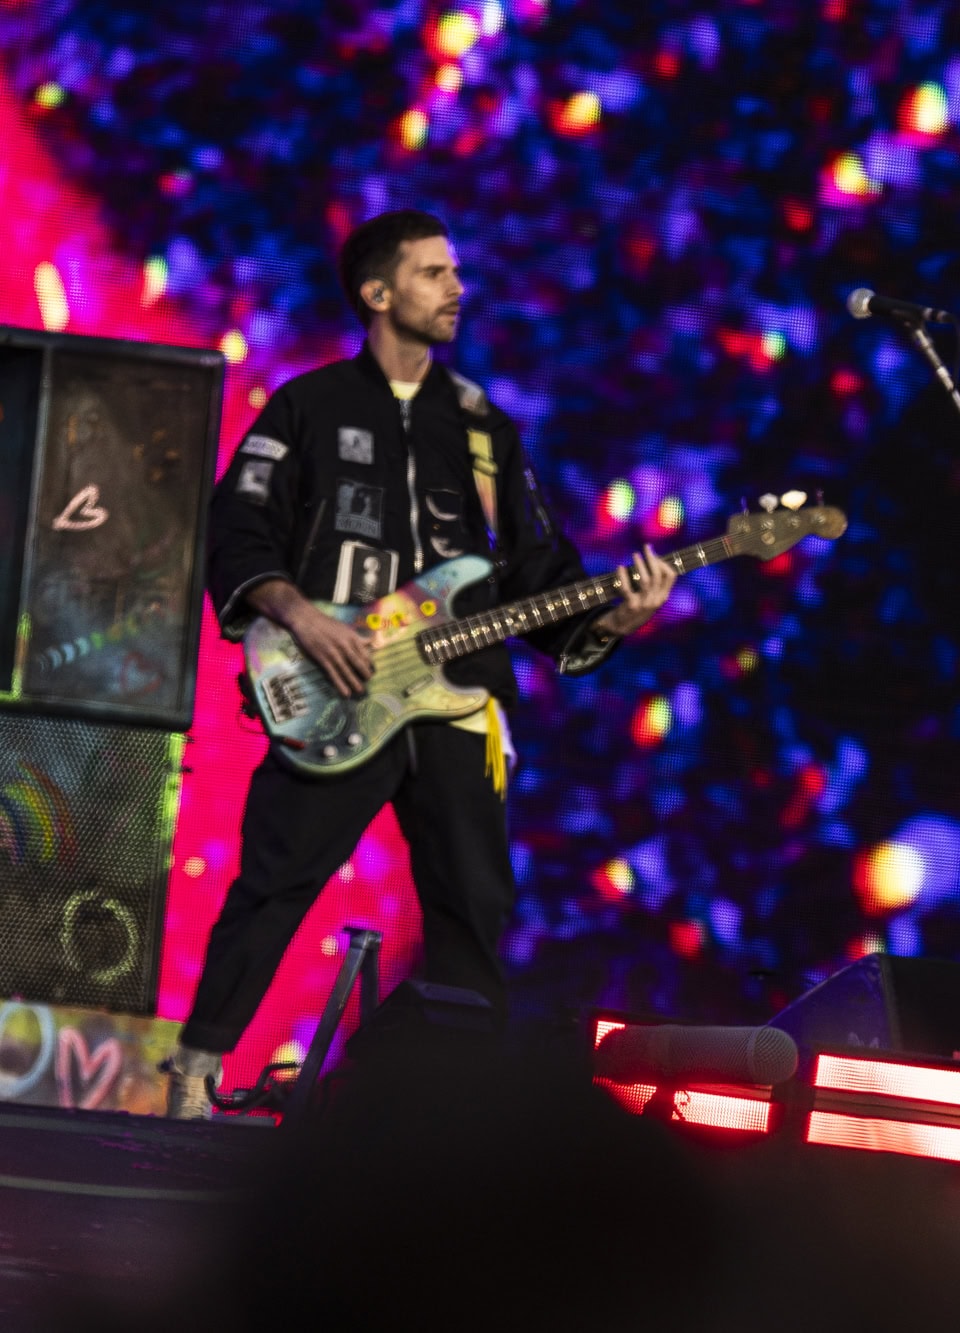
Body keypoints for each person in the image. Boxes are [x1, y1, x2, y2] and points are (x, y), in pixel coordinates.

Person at [165, 210, 677, 1117]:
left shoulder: (483, 429)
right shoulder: (307, 408)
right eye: (433, 272)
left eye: (456, 272)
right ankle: (195, 1071)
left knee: (474, 906)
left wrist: (618, 615)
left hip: (462, 700)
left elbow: (540, 575)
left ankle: (449, 1118)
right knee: (275, 881)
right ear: (377, 292)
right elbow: (238, 524)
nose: (456, 288)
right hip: (335, 684)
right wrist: (300, 615)